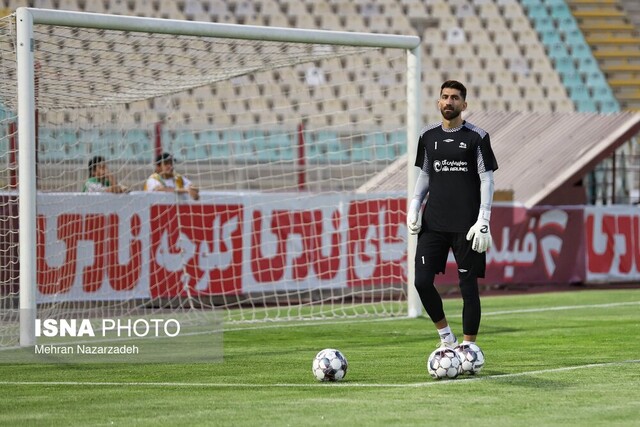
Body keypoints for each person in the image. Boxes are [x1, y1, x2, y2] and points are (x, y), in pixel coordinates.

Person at [407, 80, 498, 350]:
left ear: (464, 104)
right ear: (438, 102)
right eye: (445, 97)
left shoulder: (477, 137)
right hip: (433, 223)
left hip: (467, 226)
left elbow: (487, 180)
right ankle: (446, 337)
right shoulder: (427, 136)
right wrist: (415, 205)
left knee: (467, 287)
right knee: (422, 282)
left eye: (455, 98)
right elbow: (425, 174)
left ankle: (469, 348)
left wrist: (484, 218)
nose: (449, 102)